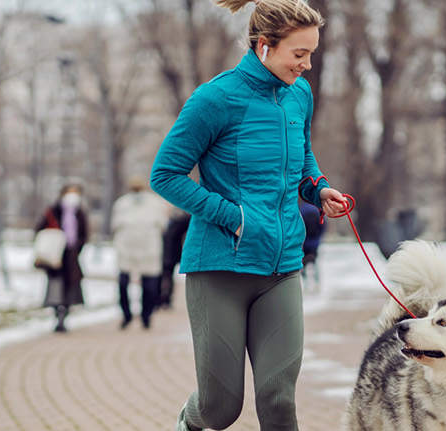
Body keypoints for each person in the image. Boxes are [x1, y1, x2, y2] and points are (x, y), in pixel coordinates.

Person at [148, 0, 348, 429]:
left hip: (282, 267)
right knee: (220, 409)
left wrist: (317, 189)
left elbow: (301, 157)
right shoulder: (216, 98)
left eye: (311, 53)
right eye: (299, 54)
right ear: (264, 47)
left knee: (278, 400)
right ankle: (189, 421)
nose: (308, 65)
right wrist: (234, 216)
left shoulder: (299, 95)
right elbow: (165, 175)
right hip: (221, 268)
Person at [112, 177, 171, 330]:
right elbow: (115, 225)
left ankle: (146, 315)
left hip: (149, 249)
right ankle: (126, 315)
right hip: (127, 249)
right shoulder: (121, 203)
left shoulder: (156, 203)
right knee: (123, 283)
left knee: (150, 286)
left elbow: (163, 225)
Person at [35, 184, 89, 333]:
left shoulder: (79, 212)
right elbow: (39, 229)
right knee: (55, 286)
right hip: (55, 256)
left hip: (72, 256)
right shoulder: (53, 210)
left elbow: (84, 234)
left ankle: (64, 315)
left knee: (70, 286)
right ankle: (57, 316)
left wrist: (77, 248)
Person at [159, 210, 193, 310]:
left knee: (168, 276)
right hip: (161, 253)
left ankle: (166, 299)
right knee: (161, 277)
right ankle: (161, 299)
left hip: (171, 254)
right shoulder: (166, 222)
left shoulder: (180, 221)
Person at [298, 201, 325, 291]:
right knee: (315, 262)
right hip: (315, 242)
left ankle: (305, 283)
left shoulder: (302, 210)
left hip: (304, 242)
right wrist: (319, 237)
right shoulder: (318, 210)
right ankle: (317, 282)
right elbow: (323, 225)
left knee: (303, 263)